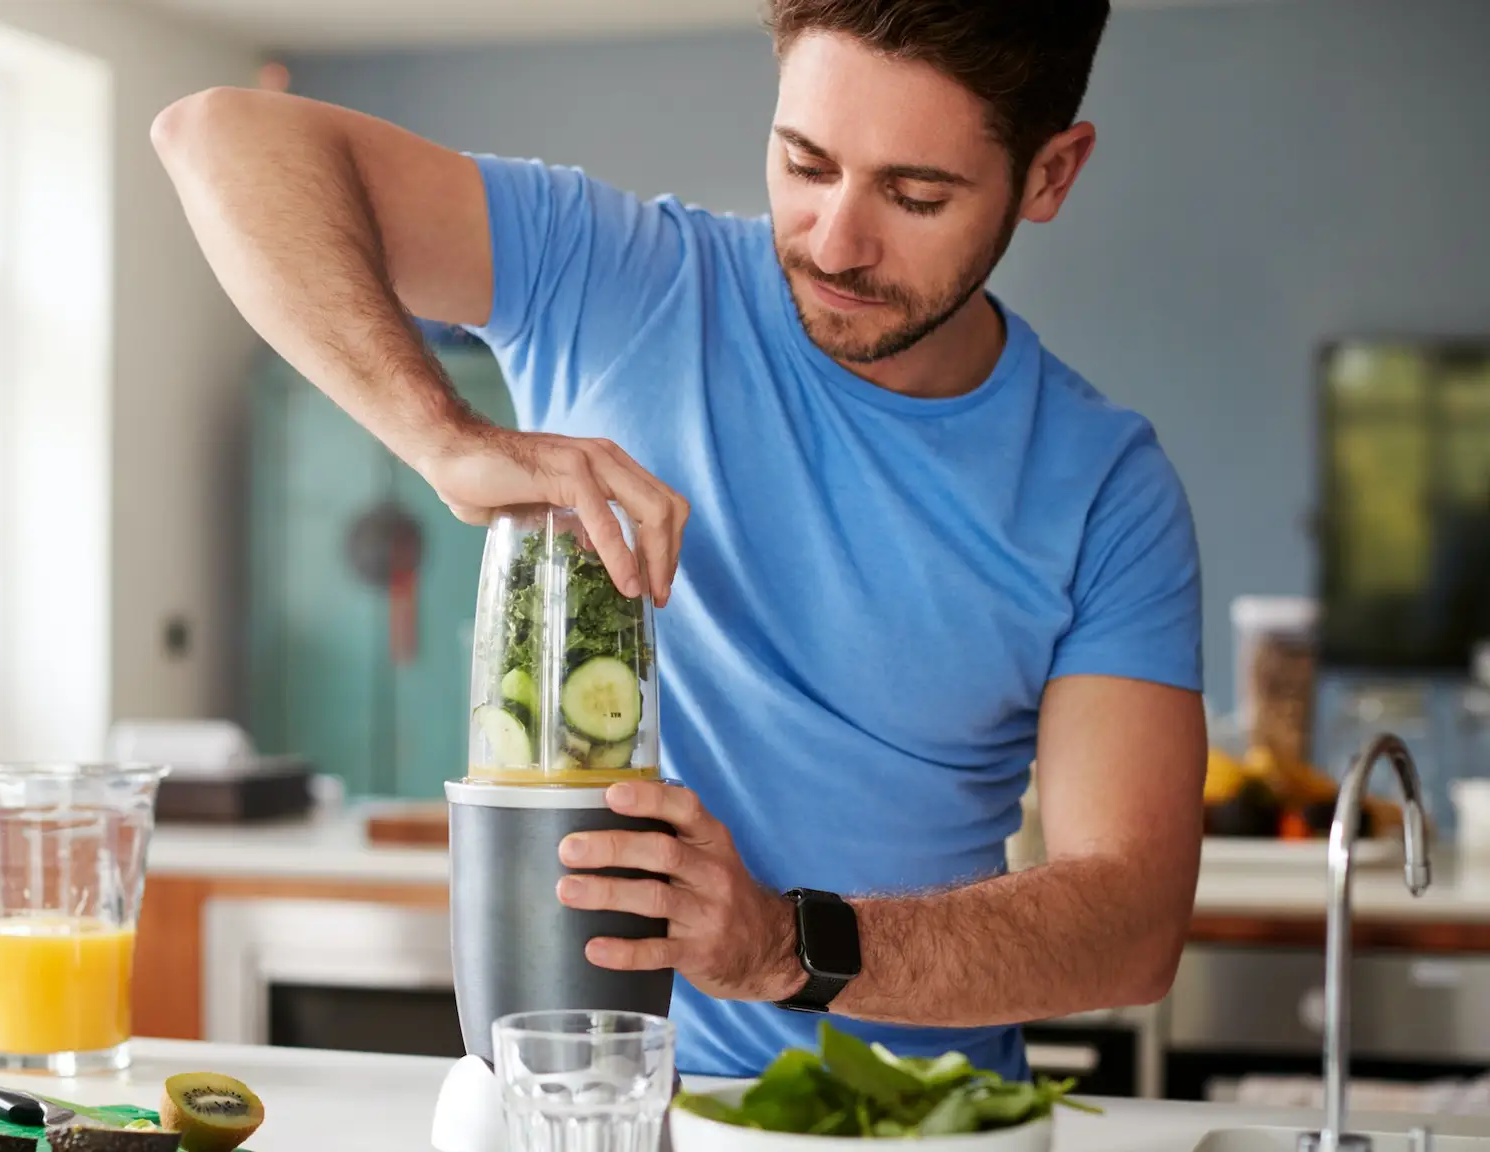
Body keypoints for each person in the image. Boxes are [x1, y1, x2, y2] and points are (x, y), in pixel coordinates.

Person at [152, 0, 1205, 1080]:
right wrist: (443, 438)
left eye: (915, 193)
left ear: (1049, 175)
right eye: (805, 164)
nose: (837, 241)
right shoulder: (619, 276)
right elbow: (220, 136)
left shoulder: (1104, 487)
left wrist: (783, 946)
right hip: (584, 1132)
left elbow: (1129, 923)